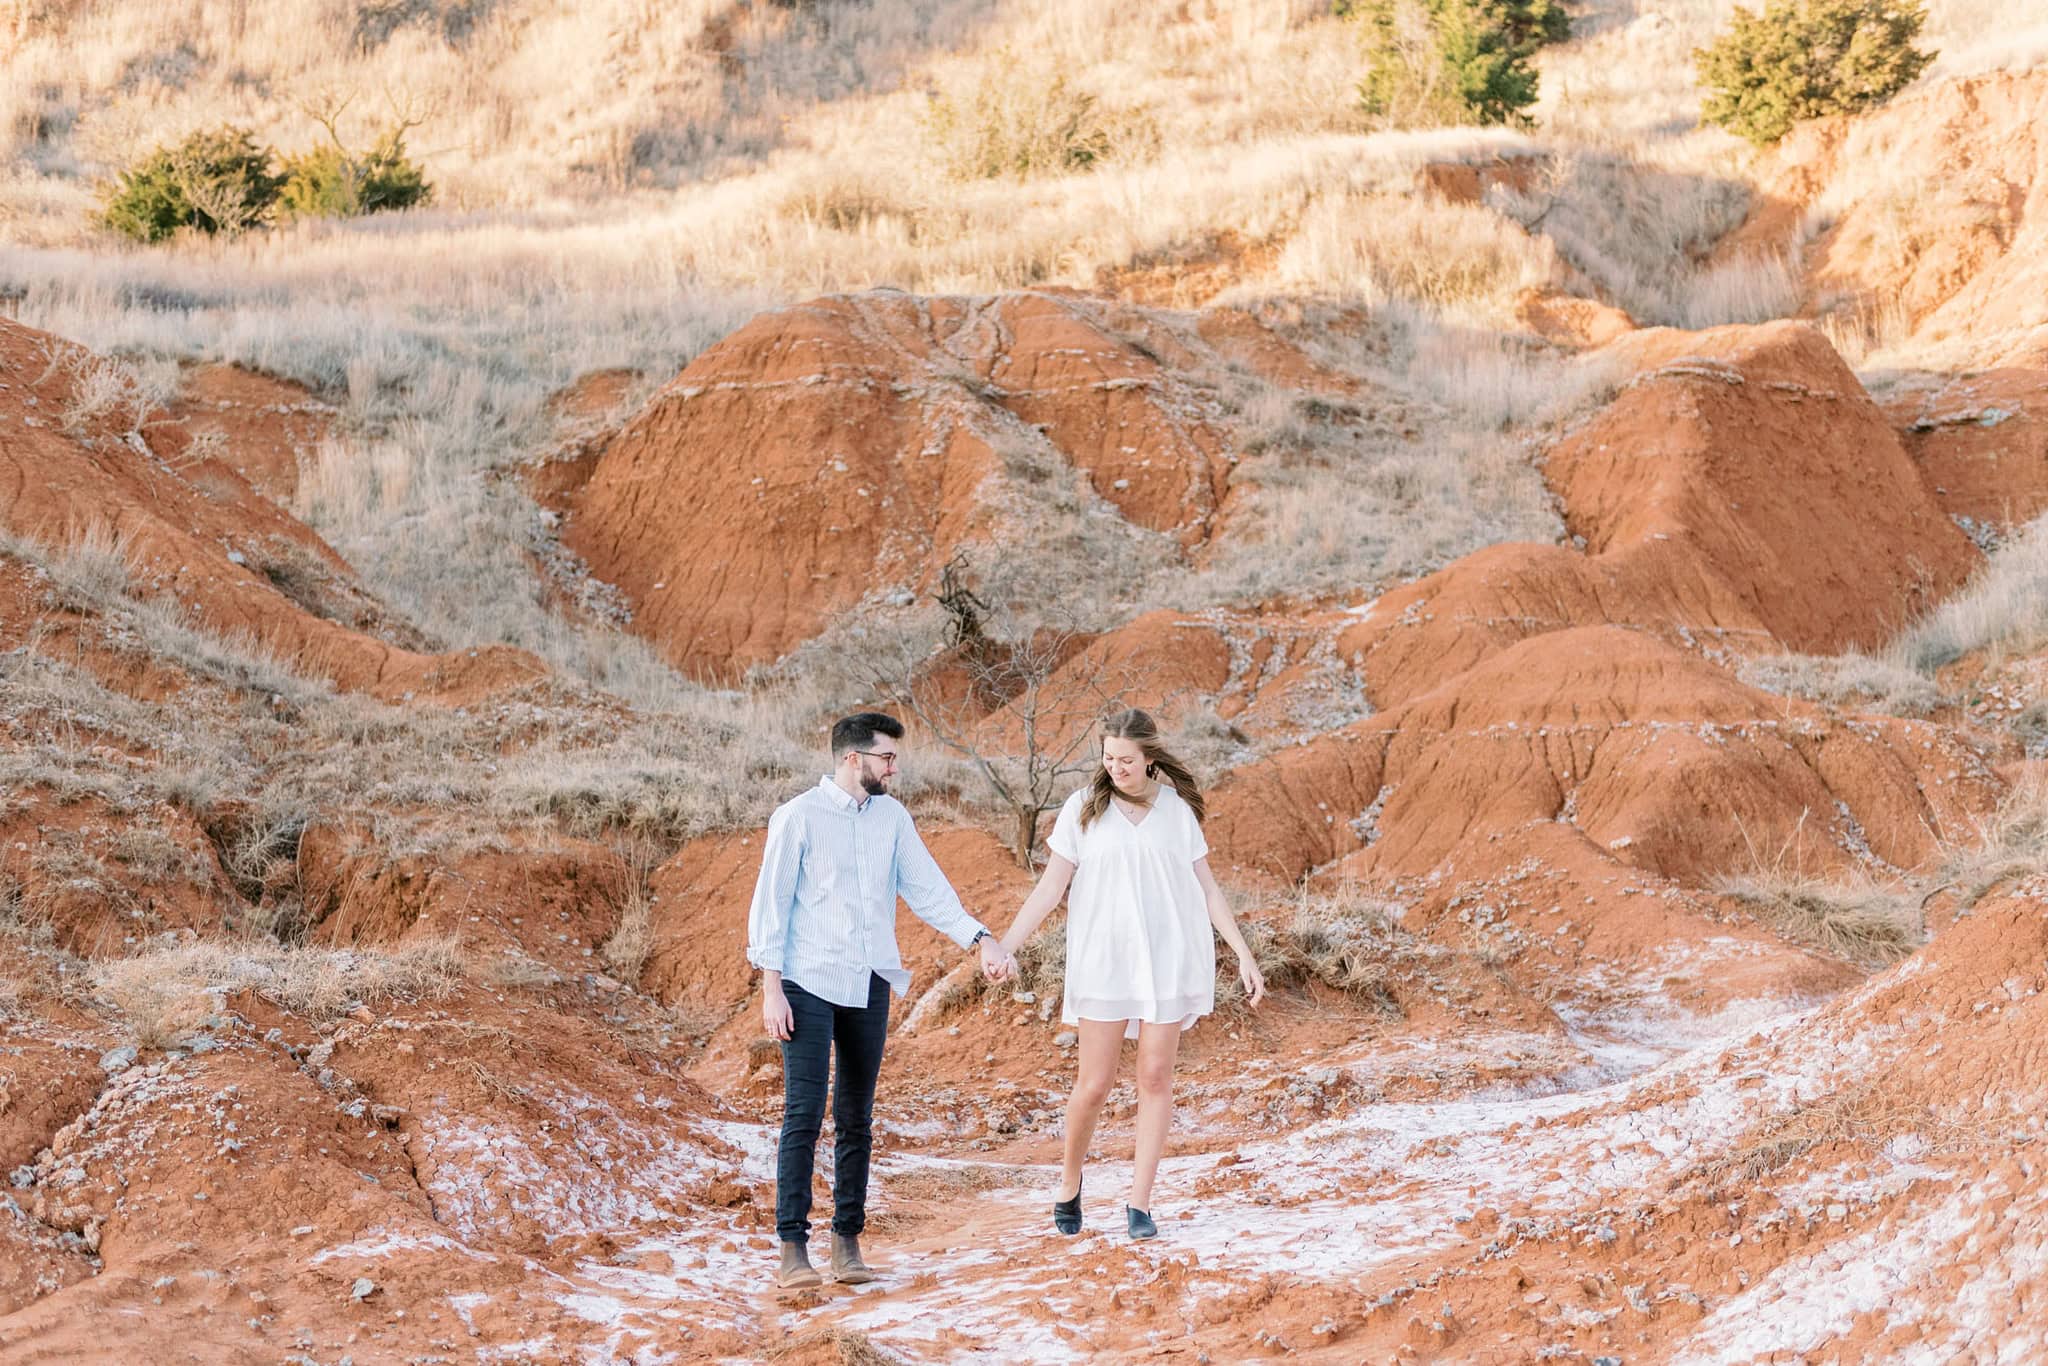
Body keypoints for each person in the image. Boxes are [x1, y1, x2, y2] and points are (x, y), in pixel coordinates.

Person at [747, 711, 1017, 1289]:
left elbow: (926, 888)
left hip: (870, 981)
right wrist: (771, 989)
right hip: (806, 980)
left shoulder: (891, 818)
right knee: (803, 1113)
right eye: (886, 758)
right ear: (853, 758)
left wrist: (981, 938)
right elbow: (771, 907)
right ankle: (793, 1248)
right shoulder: (797, 817)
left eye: (895, 758)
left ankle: (847, 1245)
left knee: (856, 1118)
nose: (894, 768)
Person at [990, 708, 1265, 1241]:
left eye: (1125, 760)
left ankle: (1139, 1204)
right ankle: (1069, 1182)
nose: (1114, 768)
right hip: (1104, 961)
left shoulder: (1177, 811)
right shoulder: (1083, 810)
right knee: (1093, 1085)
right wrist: (1005, 945)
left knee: (1155, 1079)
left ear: (1149, 759)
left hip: (1168, 959)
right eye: (1107, 758)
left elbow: (1207, 890)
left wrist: (1244, 954)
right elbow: (1051, 888)